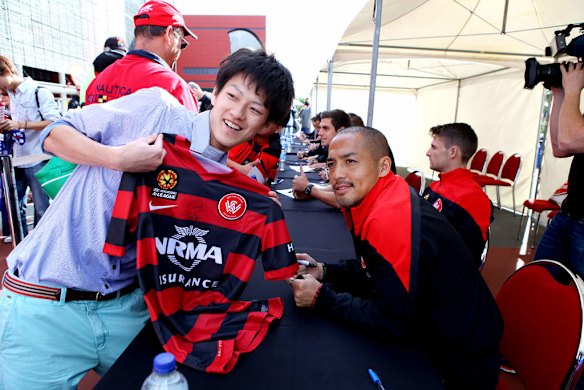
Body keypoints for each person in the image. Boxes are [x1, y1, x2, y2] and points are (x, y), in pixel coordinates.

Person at [0, 48, 295, 388]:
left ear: (268, 126)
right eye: (232, 95)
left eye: (254, 109)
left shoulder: (222, 180)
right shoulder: (156, 109)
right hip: (45, 304)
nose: (237, 113)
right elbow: (53, 134)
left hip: (130, 307)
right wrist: (117, 158)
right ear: (214, 93)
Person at [289, 126, 502, 388]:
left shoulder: (389, 218)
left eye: (351, 162)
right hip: (438, 329)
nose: (337, 175)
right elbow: (376, 268)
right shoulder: (380, 196)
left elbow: (392, 320)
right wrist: (326, 271)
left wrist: (322, 298)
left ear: (383, 166)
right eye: (332, 164)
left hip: (458, 357)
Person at [84, 0, 198, 112]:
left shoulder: (97, 83)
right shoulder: (175, 89)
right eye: (181, 42)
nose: (179, 49)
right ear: (168, 34)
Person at [0, 55, 61, 237]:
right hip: (17, 159)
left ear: (7, 71)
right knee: (14, 209)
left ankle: (40, 249)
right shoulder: (11, 95)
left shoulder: (39, 91)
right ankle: (22, 248)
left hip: (37, 157)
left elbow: (55, 121)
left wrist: (20, 125)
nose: (1, 88)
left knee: (42, 208)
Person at [534, 62, 584, 278]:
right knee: (539, 282)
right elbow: (559, 146)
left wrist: (573, 90)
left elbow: (569, 140)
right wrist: (560, 93)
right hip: (568, 215)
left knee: (577, 300)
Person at [422, 123, 493, 267]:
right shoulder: (435, 187)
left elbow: (462, 259)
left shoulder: (474, 199)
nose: (428, 152)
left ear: (453, 152)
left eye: (434, 147)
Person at [227, 121, 283, 186]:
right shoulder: (239, 131)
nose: (263, 121)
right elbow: (214, 157)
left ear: (278, 128)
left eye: (269, 120)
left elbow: (266, 182)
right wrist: (240, 169)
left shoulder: (274, 149)